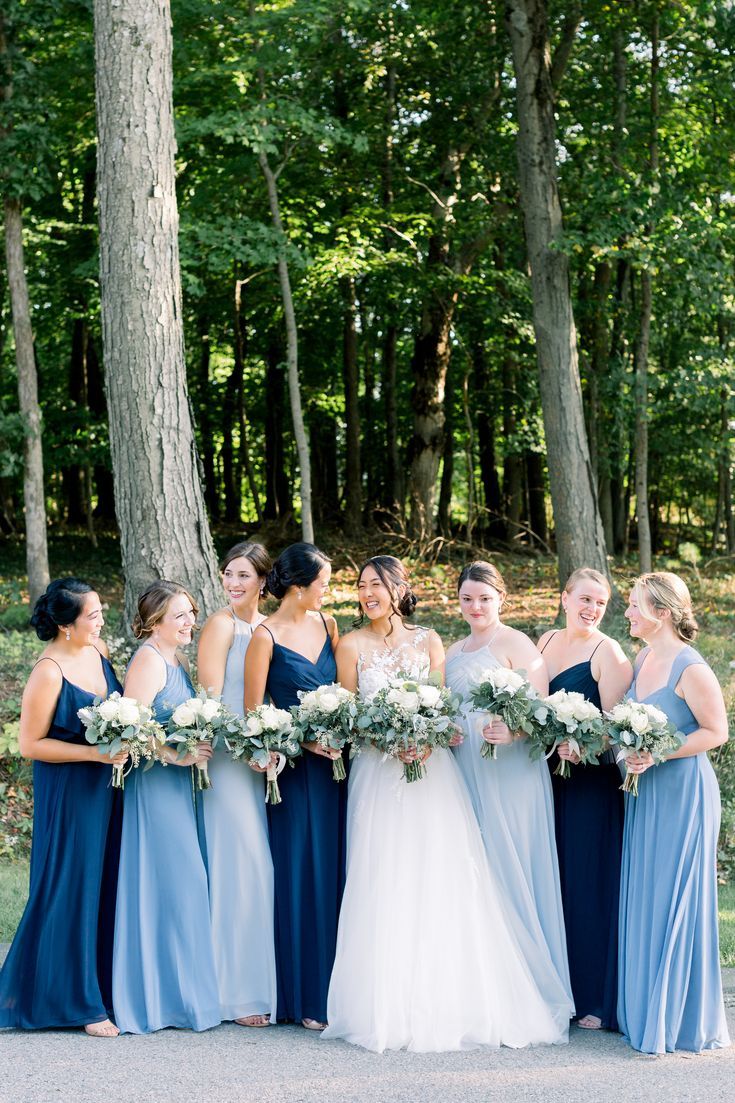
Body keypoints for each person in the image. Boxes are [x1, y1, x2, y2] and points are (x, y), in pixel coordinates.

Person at [323, 555, 571, 1053]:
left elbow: (440, 709)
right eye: (361, 586)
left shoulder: (431, 641)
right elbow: (349, 716)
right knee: (383, 873)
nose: (368, 593)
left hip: (434, 771)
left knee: (444, 874)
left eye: (377, 585)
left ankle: (453, 996)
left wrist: (424, 739)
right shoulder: (348, 645)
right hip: (377, 771)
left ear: (398, 589)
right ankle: (383, 1002)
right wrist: (389, 740)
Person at [446, 561, 573, 1016]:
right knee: (478, 866)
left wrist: (514, 732)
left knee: (515, 860)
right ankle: (486, 983)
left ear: (501, 598)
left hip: (512, 771)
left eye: (484, 598)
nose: (475, 606)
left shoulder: (517, 642)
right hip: (466, 768)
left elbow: (541, 711)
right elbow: (450, 707)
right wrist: (449, 730)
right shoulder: (454, 650)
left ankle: (535, 984)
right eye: (467, 599)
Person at [0, 579, 126, 1035]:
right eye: (91, 615)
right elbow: (29, 743)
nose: (100, 621)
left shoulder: (98, 651)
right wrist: (95, 754)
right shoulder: (48, 670)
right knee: (67, 886)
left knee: (100, 885)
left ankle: (99, 987)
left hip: (107, 788)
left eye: (99, 612)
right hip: (69, 790)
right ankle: (77, 1003)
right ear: (65, 625)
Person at [618, 571, 730, 1054]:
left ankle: (680, 1019)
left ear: (662, 612)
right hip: (644, 792)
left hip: (683, 793)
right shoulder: (643, 657)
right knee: (647, 894)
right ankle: (645, 1011)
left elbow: (716, 732)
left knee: (675, 898)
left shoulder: (692, 668)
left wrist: (659, 753)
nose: (627, 613)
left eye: (635, 606)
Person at [244, 543, 344, 1030]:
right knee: (299, 874)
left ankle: (336, 988)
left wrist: (339, 731)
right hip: (294, 773)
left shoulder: (328, 626)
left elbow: (344, 693)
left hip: (337, 772)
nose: (329, 590)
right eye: (324, 583)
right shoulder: (264, 636)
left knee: (335, 872)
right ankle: (302, 997)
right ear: (299, 588)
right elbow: (253, 715)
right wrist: (301, 741)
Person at [112, 581, 220, 1035]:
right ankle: (156, 1000)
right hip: (156, 786)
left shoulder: (177, 660)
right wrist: (178, 755)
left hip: (181, 788)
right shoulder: (148, 660)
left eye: (191, 613)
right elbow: (133, 727)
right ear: (155, 621)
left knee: (183, 888)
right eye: (179, 616)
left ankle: (180, 997)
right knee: (176, 885)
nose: (190, 622)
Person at [537, 568, 632, 1031]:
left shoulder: (608, 652)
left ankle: (594, 994)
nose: (592, 609)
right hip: (548, 780)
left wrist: (584, 746)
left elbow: (617, 732)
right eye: (585, 599)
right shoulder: (545, 641)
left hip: (590, 786)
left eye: (601, 603)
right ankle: (560, 988)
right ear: (564, 598)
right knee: (555, 882)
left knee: (587, 884)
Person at [197, 541, 277, 1027]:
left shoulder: (267, 629)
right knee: (240, 864)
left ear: (264, 581)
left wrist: (271, 742)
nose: (233, 583)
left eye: (244, 575)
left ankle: (260, 981)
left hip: (264, 757)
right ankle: (233, 991)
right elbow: (210, 700)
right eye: (229, 574)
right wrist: (245, 746)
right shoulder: (221, 625)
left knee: (258, 865)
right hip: (228, 760)